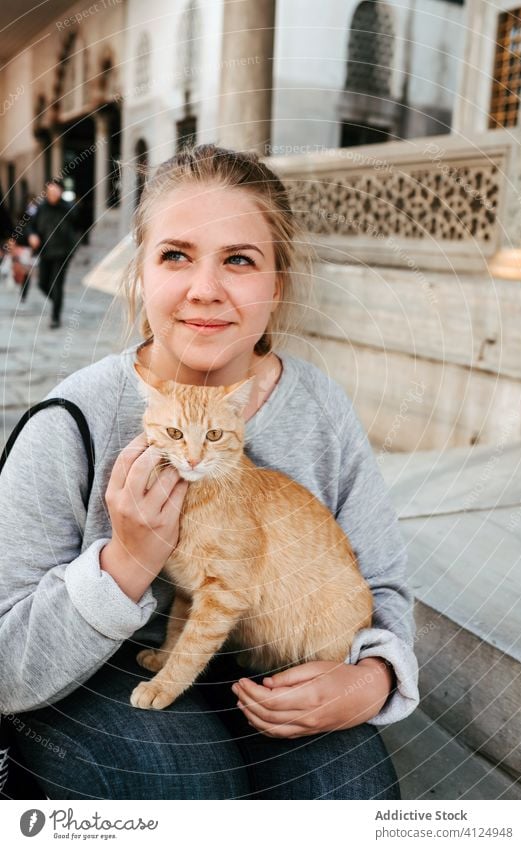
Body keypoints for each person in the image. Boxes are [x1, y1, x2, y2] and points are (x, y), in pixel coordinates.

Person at [0, 144, 419, 800]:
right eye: (175, 254)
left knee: (349, 789)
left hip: (278, 659)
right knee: (175, 780)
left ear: (276, 284)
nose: (204, 289)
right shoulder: (70, 420)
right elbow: (6, 666)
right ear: (139, 272)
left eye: (239, 260)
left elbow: (383, 581)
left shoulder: (320, 408)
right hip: (97, 673)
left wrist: (373, 678)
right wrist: (128, 561)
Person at [28, 178, 78, 328]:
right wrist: (32, 235)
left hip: (63, 251)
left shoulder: (68, 207)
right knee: (42, 283)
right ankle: (57, 301)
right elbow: (30, 226)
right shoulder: (40, 208)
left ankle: (55, 317)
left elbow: (79, 224)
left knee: (57, 284)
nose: (53, 193)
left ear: (61, 191)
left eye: (56, 190)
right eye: (50, 190)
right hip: (45, 251)